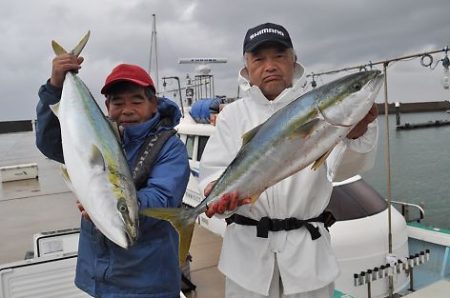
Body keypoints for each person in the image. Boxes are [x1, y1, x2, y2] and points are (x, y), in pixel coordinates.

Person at [199, 22, 378, 298]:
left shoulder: (323, 108)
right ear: (247, 67)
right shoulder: (232, 116)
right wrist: (217, 200)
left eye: (279, 56)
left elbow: (344, 171)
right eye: (259, 58)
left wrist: (356, 134)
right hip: (247, 262)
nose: (270, 65)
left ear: (294, 61)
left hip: (308, 259)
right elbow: (213, 176)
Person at [35, 55, 190, 297]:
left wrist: (103, 206)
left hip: (148, 280)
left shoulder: (170, 147)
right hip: (98, 277)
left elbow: (162, 197)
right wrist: (54, 87)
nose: (126, 110)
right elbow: (49, 143)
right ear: (107, 107)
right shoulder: (92, 134)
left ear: (154, 105)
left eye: (136, 101)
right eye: (117, 103)